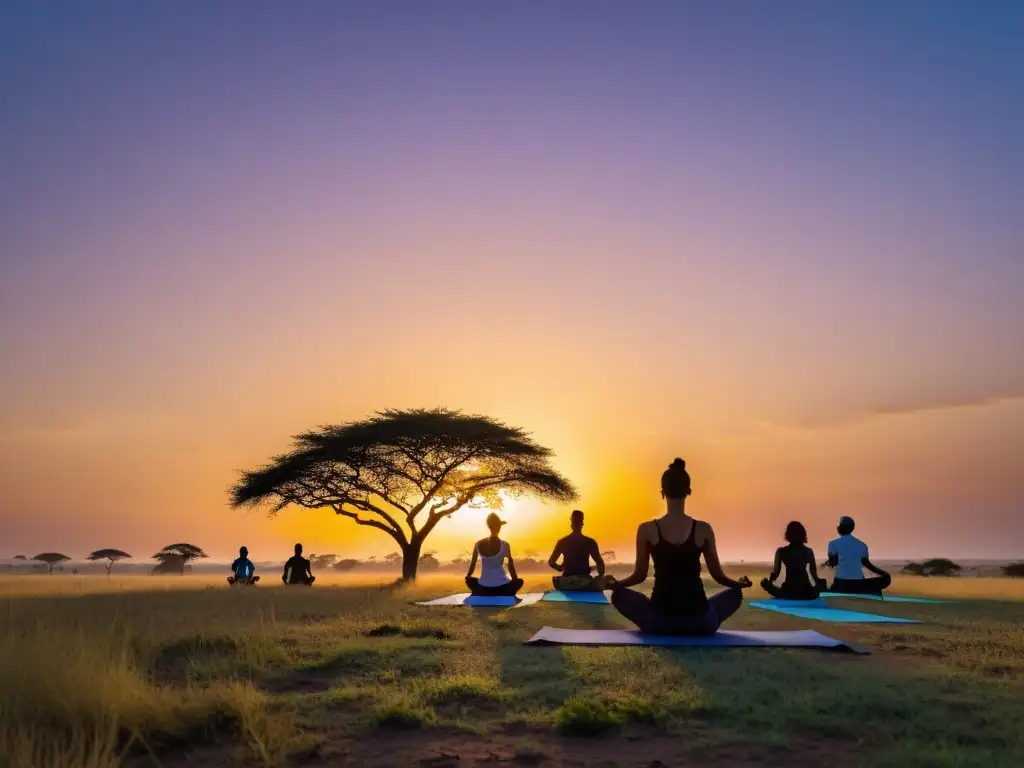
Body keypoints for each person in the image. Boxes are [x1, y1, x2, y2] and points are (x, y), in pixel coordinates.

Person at [611, 459, 752, 635]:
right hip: (700, 623)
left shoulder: (646, 529)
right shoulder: (703, 529)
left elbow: (639, 576)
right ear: (688, 492)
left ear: (662, 493)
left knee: (618, 595)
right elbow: (719, 577)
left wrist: (616, 584)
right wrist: (738, 584)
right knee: (735, 595)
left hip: (658, 622)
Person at [825, 516, 891, 595]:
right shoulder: (862, 545)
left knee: (822, 583)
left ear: (839, 528)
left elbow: (833, 563)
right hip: (859, 584)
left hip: (841, 584)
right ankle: (872, 596)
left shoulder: (833, 544)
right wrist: (885, 575)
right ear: (852, 528)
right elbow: (868, 565)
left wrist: (825, 564)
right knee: (881, 581)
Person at [760, 522, 825, 600]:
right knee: (821, 584)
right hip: (805, 591)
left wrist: (769, 583)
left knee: (766, 584)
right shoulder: (808, 551)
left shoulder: (781, 552)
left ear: (787, 535)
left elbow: (775, 573)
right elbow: (813, 574)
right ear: (803, 534)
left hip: (788, 591)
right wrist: (818, 586)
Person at [465, 512, 524, 597]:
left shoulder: (478, 544)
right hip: (502, 587)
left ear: (489, 527)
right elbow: (511, 567)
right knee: (520, 581)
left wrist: (467, 577)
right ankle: (504, 592)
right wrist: (514, 581)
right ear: (499, 528)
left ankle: (483, 592)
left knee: (469, 580)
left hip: (484, 587)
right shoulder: (505, 545)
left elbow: (473, 564)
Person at [548, 509, 607, 591]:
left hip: (568, 582)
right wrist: (600, 577)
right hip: (582, 582)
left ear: (571, 523)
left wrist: (559, 568)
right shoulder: (589, 542)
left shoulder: (563, 542)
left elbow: (551, 562)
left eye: (576, 520)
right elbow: (599, 562)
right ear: (582, 523)